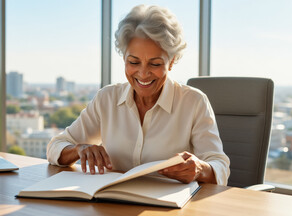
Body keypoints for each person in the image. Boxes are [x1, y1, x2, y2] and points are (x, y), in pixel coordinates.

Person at [47, 4, 230, 185]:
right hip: (110, 205)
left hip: (167, 209)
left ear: (172, 61)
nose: (143, 74)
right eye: (134, 62)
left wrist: (199, 169)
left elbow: (220, 165)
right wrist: (79, 149)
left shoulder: (193, 102)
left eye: (155, 64)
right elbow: (55, 147)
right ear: (124, 58)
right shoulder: (107, 98)